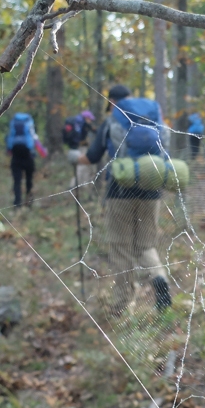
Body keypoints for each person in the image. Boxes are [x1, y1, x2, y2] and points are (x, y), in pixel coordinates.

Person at [79, 85, 173, 315]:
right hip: (151, 189)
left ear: (112, 101)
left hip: (118, 190)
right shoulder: (153, 119)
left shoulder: (111, 121)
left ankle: (122, 305)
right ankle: (159, 278)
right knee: (146, 245)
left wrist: (75, 158)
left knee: (121, 248)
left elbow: (92, 157)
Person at [5, 112, 46, 206]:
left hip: (16, 159)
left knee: (17, 181)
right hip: (28, 158)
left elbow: (8, 148)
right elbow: (36, 141)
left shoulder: (13, 131)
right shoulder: (30, 129)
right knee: (29, 180)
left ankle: (17, 203)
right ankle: (29, 202)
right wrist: (43, 153)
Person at [63, 110, 96, 187]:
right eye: (90, 119)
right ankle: (75, 185)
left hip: (73, 148)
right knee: (82, 165)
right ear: (86, 118)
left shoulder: (79, 123)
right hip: (78, 148)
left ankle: (80, 185)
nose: (91, 121)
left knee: (82, 166)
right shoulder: (81, 124)